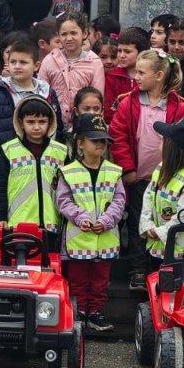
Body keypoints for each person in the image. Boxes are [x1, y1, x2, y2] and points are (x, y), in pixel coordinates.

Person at [110, 49, 184, 289]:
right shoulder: (128, 103)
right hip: (139, 177)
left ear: (158, 76)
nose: (135, 76)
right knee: (139, 223)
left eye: (141, 72)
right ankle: (137, 270)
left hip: (167, 180)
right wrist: (127, 169)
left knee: (163, 223)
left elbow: (182, 142)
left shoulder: (180, 107)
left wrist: (175, 173)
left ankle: (162, 269)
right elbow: (118, 136)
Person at [56, 114, 125, 332]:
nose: (100, 145)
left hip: (105, 237)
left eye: (103, 140)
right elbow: (63, 201)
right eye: (94, 140)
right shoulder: (68, 171)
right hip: (79, 238)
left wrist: (106, 220)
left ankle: (95, 312)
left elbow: (119, 200)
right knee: (77, 279)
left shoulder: (114, 171)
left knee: (100, 280)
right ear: (80, 143)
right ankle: (78, 312)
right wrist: (81, 217)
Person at [0, 39, 65, 190]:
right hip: (5, 163)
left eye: (23, 62)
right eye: (13, 62)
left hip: (43, 163)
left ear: (36, 66)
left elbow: (58, 127)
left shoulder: (47, 92)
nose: (17, 66)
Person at [0, 96, 68, 251]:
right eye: (30, 122)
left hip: (52, 223)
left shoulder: (60, 151)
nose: (36, 127)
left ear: (50, 123)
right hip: (19, 223)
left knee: (48, 269)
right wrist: (0, 216)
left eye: (42, 122)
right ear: (21, 122)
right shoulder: (9, 150)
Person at [139, 119, 184, 261]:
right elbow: (148, 196)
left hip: (181, 253)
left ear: (173, 147)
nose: (160, 143)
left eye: (163, 139)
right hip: (157, 248)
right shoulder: (161, 167)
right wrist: (147, 225)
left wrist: (159, 233)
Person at [39, 12, 106, 124]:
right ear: (58, 35)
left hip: (84, 124)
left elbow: (97, 99)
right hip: (54, 123)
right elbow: (41, 94)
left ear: (84, 33)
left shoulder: (94, 62)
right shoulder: (49, 61)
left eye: (74, 33)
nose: (69, 38)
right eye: (64, 34)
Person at [103, 27, 149, 122]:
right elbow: (109, 110)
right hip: (118, 127)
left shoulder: (149, 77)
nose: (121, 55)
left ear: (142, 53)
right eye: (119, 51)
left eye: (127, 51)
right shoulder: (112, 77)